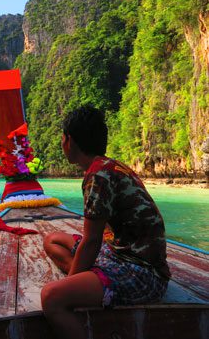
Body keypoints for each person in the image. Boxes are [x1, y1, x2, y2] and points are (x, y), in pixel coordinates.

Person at [41, 105, 170, 339]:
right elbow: (94, 241)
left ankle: (86, 285)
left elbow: (91, 241)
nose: (61, 143)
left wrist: (69, 286)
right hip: (115, 252)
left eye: (62, 138)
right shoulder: (108, 166)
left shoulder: (98, 175)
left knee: (52, 297)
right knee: (52, 240)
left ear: (70, 141)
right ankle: (89, 282)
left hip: (142, 272)